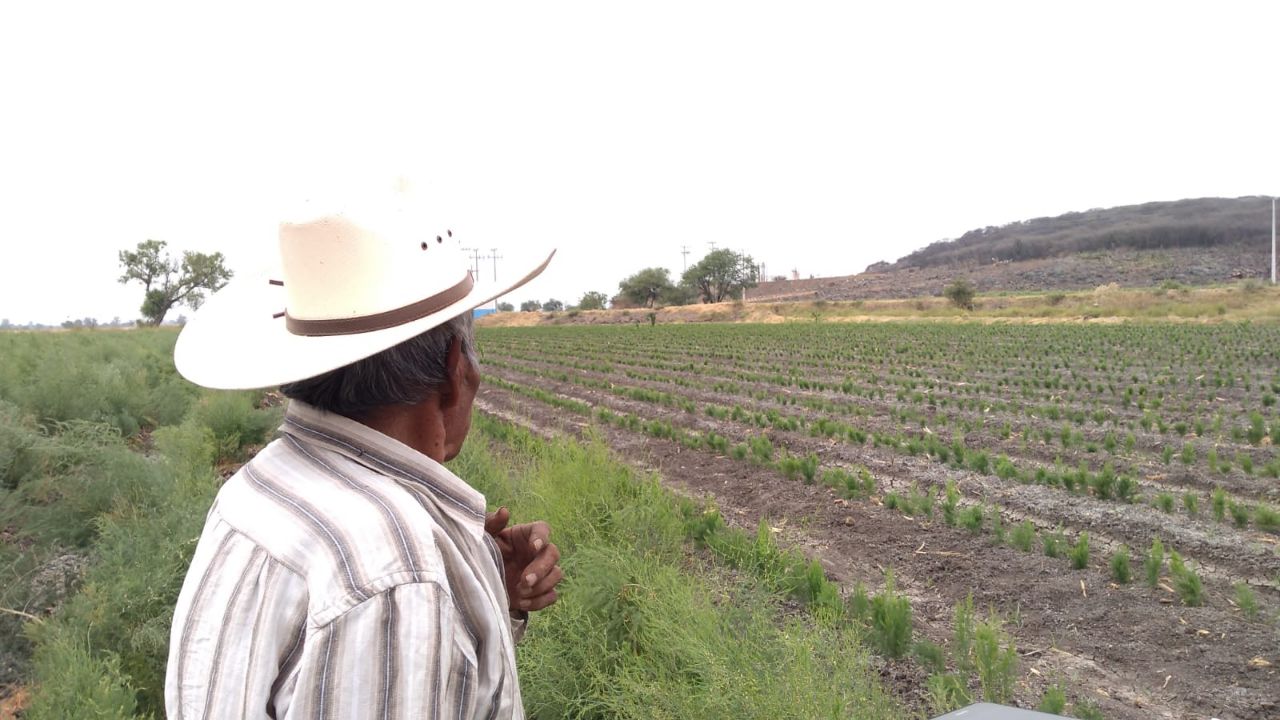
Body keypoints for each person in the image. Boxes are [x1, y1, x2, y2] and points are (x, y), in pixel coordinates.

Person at [165, 195, 560, 719]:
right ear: (454, 370)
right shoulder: (396, 571)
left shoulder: (263, 483)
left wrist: (488, 596)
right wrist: (432, 584)